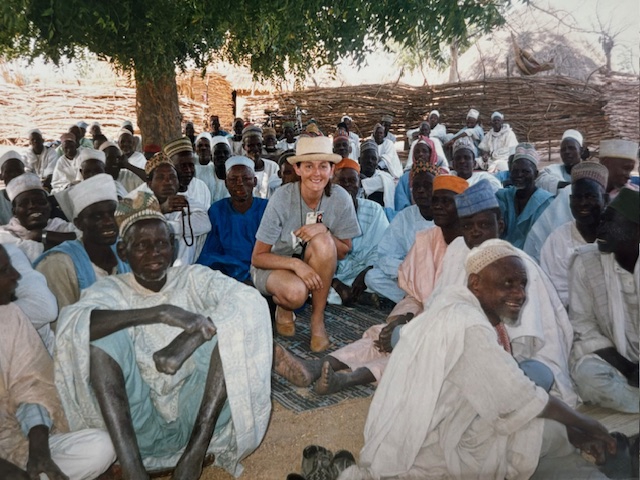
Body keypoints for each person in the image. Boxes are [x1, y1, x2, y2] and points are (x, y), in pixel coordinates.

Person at [341, 241, 615, 480]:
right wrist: (588, 425)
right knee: (541, 433)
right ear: (475, 283)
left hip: (404, 443)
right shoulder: (468, 325)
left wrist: (573, 429)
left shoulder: (449, 306)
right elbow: (518, 397)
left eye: (522, 284)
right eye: (507, 283)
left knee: (539, 391)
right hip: (429, 454)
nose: (520, 293)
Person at [54, 192, 272, 478]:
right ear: (123, 251)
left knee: (230, 328)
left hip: (199, 417)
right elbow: (72, 324)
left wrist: (193, 335)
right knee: (100, 339)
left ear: (173, 245)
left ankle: (194, 453)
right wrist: (159, 312)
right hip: (137, 427)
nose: (154, 253)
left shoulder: (193, 278)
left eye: (161, 244)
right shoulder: (110, 291)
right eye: (141, 246)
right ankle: (133, 467)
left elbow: (248, 300)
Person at [274, 175, 467, 395]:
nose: (438, 207)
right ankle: (315, 367)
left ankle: (348, 379)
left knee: (415, 349)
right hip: (418, 314)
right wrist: (400, 320)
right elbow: (414, 295)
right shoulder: (428, 238)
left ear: (462, 205)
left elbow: (459, 308)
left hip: (451, 326)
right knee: (379, 334)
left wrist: (410, 325)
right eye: (436, 200)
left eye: (446, 201)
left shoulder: (472, 247)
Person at [433, 180, 577, 406]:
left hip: (517, 358)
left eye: (483, 224)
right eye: (468, 226)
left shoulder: (518, 264)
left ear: (500, 224)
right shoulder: (456, 251)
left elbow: (525, 342)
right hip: (463, 354)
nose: (476, 232)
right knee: (407, 340)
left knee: (531, 376)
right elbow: (438, 306)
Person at [0, 245, 116, 480]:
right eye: (4, 270)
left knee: (102, 446)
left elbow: (30, 386)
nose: (16, 275)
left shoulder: (10, 315)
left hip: (12, 440)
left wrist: (39, 448)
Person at [251, 136, 361, 352]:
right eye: (308, 166)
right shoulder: (282, 198)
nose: (316, 173)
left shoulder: (340, 199)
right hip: (273, 266)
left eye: (323, 166)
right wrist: (296, 266)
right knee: (295, 294)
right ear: (298, 169)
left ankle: (317, 320)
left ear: (332, 170)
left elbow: (344, 250)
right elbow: (258, 257)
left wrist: (325, 231)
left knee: (323, 242)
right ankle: (283, 307)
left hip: (314, 265)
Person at [568, 188, 639, 413]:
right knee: (586, 376)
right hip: (616, 361)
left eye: (611, 223)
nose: (600, 229)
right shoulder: (586, 263)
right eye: (602, 221)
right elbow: (583, 326)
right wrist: (628, 369)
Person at [524, 138, 639, 262]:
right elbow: (540, 238)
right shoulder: (570, 193)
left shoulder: (631, 198)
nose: (629, 175)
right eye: (626, 168)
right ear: (606, 163)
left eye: (631, 169)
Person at [34, 174, 130, 311]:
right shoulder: (59, 265)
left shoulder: (125, 253)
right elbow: (64, 325)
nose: (109, 221)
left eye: (113, 213)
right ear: (78, 224)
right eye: (97, 216)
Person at [365, 163, 438, 303]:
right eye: (417, 186)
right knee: (372, 277)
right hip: (409, 274)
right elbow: (386, 254)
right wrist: (407, 269)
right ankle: (416, 301)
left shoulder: (445, 215)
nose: (421, 190)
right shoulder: (405, 216)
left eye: (427, 185)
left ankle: (414, 302)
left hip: (437, 276)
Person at [540, 161, 609, 307]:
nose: (583, 203)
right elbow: (554, 294)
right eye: (577, 197)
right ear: (570, 201)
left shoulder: (616, 239)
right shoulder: (557, 241)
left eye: (590, 196)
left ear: (605, 199)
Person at [328, 159, 390, 306]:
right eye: (342, 181)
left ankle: (353, 294)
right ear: (333, 185)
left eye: (352, 180)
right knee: (315, 285)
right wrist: (336, 283)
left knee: (384, 277)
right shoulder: (325, 211)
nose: (347, 185)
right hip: (334, 273)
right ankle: (358, 296)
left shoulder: (374, 209)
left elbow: (382, 247)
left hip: (366, 270)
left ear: (359, 184)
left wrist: (366, 272)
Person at [197, 156, 268, 283]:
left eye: (246, 179)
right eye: (233, 179)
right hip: (226, 275)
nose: (240, 183)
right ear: (226, 183)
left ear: (255, 181)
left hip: (263, 271)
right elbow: (210, 253)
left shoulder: (267, 208)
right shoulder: (217, 210)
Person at [135, 152, 211, 266]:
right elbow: (128, 224)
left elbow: (204, 224)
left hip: (184, 272)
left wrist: (166, 227)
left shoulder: (188, 202)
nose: (167, 182)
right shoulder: (139, 203)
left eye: (172, 177)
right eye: (160, 178)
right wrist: (161, 209)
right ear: (150, 184)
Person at [0, 173, 76, 261]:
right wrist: (71, 246)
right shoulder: (4, 234)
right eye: (24, 203)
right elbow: (26, 252)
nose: (33, 206)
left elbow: (84, 240)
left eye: (40, 201)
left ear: (49, 206)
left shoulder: (59, 225)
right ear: (14, 212)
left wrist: (40, 235)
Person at [496, 143, 553, 249]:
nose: (519, 175)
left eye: (525, 171)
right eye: (515, 171)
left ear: (535, 174)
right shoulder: (502, 197)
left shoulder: (547, 203)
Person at [394, 136, 448, 212]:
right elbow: (401, 205)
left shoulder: (441, 177)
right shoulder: (405, 178)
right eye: (417, 152)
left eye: (424, 151)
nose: (420, 154)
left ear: (431, 154)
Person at [163, 136, 211, 207]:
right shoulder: (160, 192)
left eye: (191, 165)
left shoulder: (201, 187)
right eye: (183, 166)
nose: (188, 170)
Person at [536, 129, 585, 195]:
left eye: (571, 148)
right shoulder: (553, 170)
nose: (567, 152)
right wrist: (569, 186)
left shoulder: (591, 172)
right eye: (563, 149)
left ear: (581, 151)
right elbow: (540, 181)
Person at [242, 125, 279, 199]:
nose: (255, 149)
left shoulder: (273, 167)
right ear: (244, 147)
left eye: (258, 145)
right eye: (250, 145)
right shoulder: (240, 168)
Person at [358, 139, 396, 211]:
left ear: (378, 161)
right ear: (359, 160)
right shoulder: (352, 176)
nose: (370, 161)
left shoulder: (385, 178)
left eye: (373, 158)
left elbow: (363, 183)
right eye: (366, 158)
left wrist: (363, 181)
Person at [194, 132, 230, 203]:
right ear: (211, 157)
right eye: (217, 153)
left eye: (225, 152)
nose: (222, 155)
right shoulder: (198, 173)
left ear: (230, 156)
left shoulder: (237, 176)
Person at [0, 151, 26, 225]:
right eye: (9, 171)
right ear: (1, 176)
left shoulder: (39, 195)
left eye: (18, 171)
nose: (14, 175)